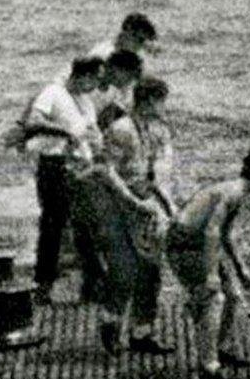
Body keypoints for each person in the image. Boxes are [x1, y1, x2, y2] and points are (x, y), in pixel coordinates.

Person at [165, 148, 250, 379]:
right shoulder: (233, 193)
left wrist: (240, 269)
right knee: (214, 298)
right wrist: (209, 273)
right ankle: (210, 367)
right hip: (184, 246)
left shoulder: (237, 194)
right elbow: (211, 231)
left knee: (233, 296)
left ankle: (217, 348)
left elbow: (225, 235)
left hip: (199, 245)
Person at [96, 77, 176, 354]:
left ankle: (142, 332)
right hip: (119, 205)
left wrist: (166, 205)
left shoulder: (153, 130)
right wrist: (131, 201)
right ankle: (111, 324)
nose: (164, 107)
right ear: (150, 100)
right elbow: (106, 171)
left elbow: (154, 176)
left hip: (145, 205)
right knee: (124, 271)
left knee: (151, 271)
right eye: (161, 100)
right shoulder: (121, 129)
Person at [19, 57, 104, 302]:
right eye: (96, 78)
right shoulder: (53, 92)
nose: (98, 84)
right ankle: (43, 286)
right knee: (53, 227)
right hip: (54, 165)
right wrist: (63, 132)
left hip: (79, 166)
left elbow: (91, 133)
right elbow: (33, 122)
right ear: (83, 75)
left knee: (85, 226)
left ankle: (92, 285)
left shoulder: (86, 102)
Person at [92, 50, 143, 132]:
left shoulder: (115, 92)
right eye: (128, 76)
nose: (128, 81)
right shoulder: (91, 86)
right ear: (116, 68)